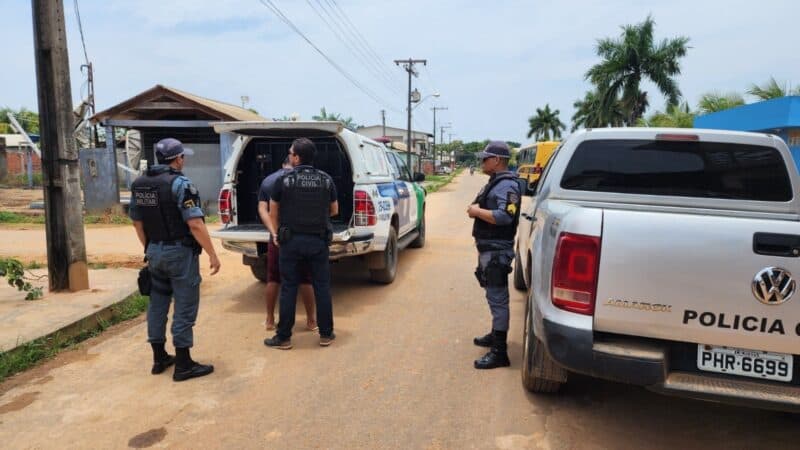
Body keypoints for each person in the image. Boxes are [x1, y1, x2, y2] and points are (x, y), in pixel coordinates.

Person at [130, 138, 220, 382]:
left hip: (154, 251)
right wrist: (212, 253)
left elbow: (138, 222)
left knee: (157, 304)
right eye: (183, 156)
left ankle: (159, 358)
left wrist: (150, 248)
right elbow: (195, 223)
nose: (184, 160)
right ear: (178, 159)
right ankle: (183, 364)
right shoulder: (181, 184)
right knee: (184, 305)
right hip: (179, 253)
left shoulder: (139, 184)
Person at [264, 138, 338, 350]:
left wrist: (278, 234)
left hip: (291, 241)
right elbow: (334, 210)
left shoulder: (283, 181)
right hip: (318, 241)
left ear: (297, 157)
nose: (289, 156)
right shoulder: (326, 180)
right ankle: (326, 334)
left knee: (288, 287)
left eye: (291, 153)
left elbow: (273, 212)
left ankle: (284, 337)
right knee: (322, 287)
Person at [466, 141, 521, 369]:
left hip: (497, 251)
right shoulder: (496, 182)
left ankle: (500, 352)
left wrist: (477, 211)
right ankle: (495, 334)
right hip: (489, 248)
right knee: (492, 295)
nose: (482, 162)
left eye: (485, 158)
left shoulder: (507, 186)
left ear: (497, 160)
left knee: (498, 299)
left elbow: (505, 216)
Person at [257, 157, 317, 332]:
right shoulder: (304, 180)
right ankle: (311, 321)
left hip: (278, 236)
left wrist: (274, 231)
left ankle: (269, 320)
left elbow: (263, 209)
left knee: (273, 278)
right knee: (305, 279)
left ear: (282, 164)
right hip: (301, 235)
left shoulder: (268, 181)